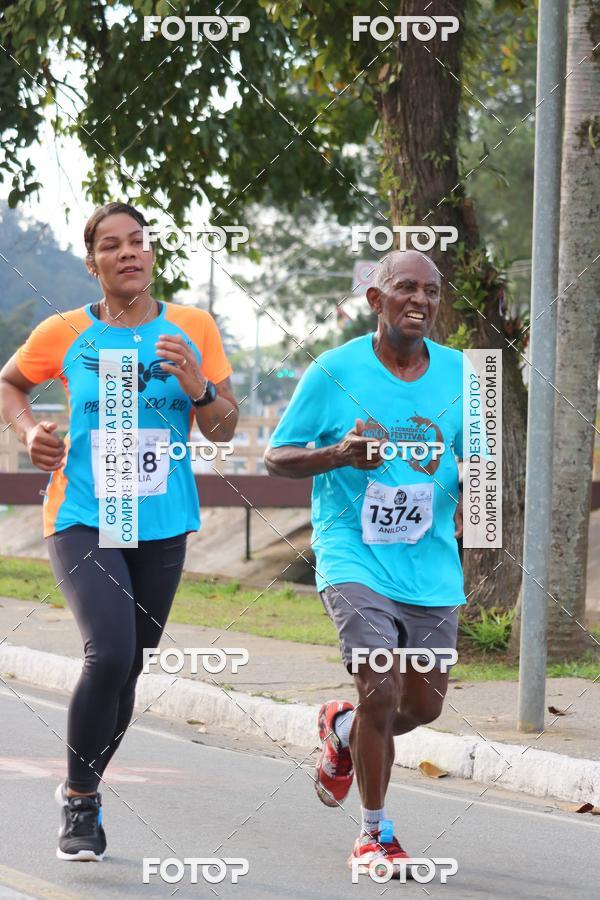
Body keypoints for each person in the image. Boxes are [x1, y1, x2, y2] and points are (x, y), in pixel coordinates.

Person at [0, 202, 238, 861]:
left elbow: (225, 428)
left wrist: (197, 386)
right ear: (93, 263)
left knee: (132, 664)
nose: (128, 252)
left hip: (161, 521)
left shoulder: (191, 327)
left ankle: (88, 780)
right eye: (112, 245)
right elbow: (10, 384)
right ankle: (80, 800)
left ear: (151, 254)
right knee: (107, 651)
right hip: (81, 516)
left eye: (138, 242)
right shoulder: (64, 332)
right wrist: (30, 434)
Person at [264, 250, 468, 877]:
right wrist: (341, 455)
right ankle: (374, 836)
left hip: (429, 560)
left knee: (425, 706)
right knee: (380, 685)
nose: (420, 301)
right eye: (405, 288)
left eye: (431, 292)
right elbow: (279, 456)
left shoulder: (467, 374)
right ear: (376, 301)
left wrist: (475, 534)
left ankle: (342, 729)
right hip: (353, 552)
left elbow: (482, 463)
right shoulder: (334, 369)